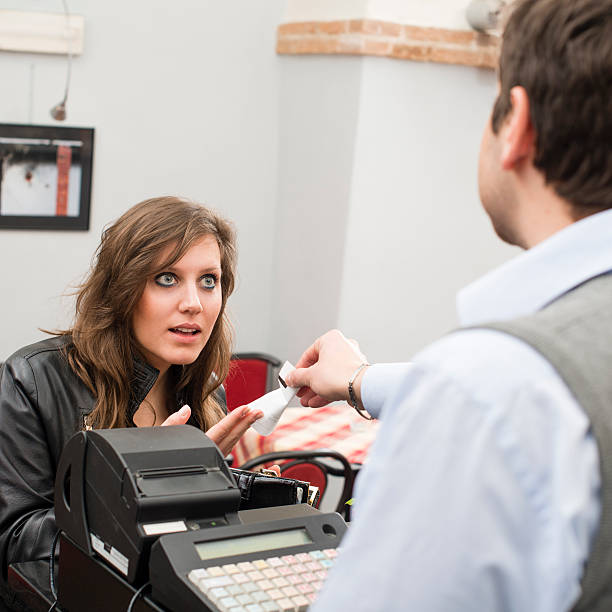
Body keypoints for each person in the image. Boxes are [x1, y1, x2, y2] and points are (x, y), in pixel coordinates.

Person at [284, 0, 612, 610]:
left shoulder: (487, 389)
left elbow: (508, 398)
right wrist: (359, 380)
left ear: (516, 124)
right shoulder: (517, 384)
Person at [0, 196, 264, 599]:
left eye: (209, 280)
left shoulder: (208, 389)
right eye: (166, 278)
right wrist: (141, 490)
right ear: (121, 289)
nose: (193, 303)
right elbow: (14, 542)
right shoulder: (31, 380)